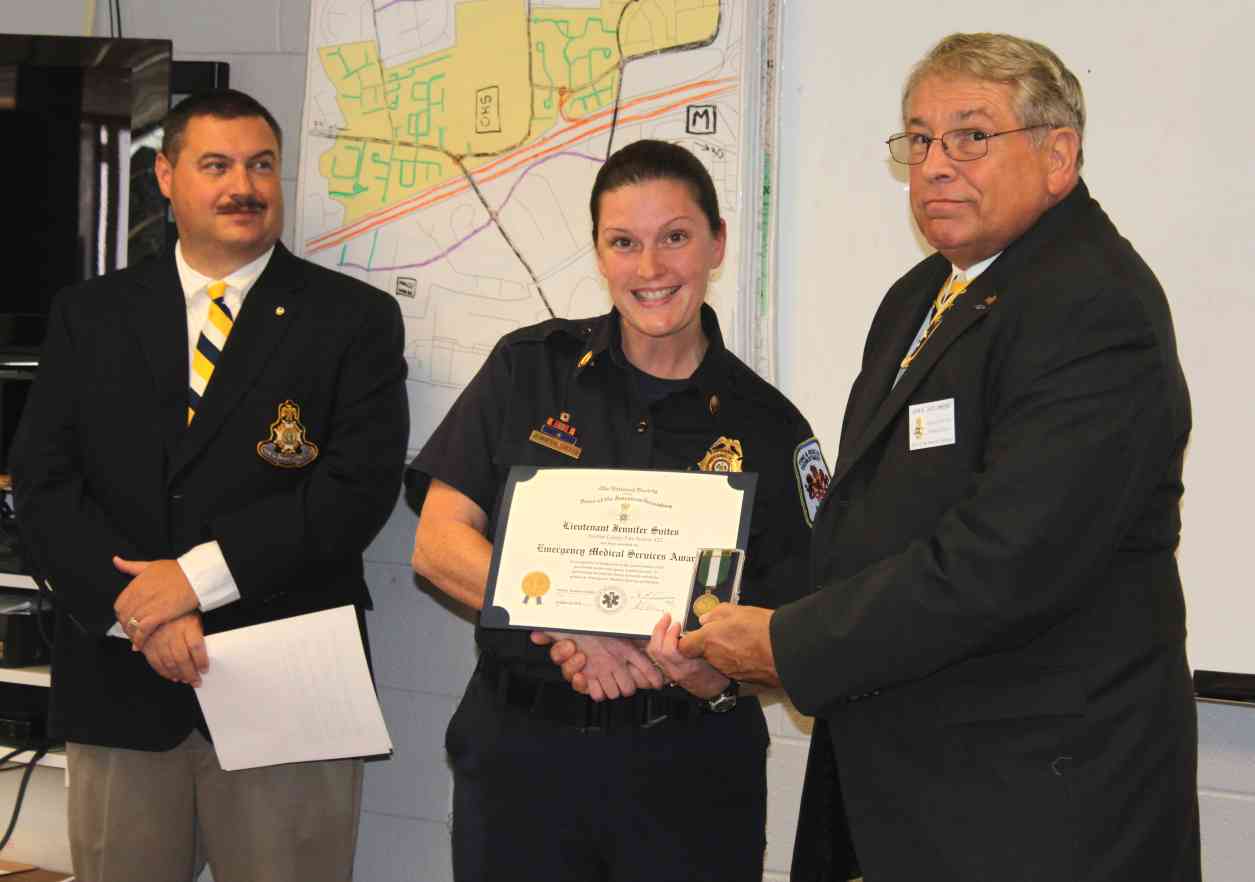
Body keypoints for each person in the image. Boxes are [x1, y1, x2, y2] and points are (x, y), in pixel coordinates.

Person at [679, 32, 1200, 882]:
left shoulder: (1093, 308)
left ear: (1057, 154)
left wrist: (787, 645)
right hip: (916, 790)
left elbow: (1006, 560)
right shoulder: (923, 294)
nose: (933, 165)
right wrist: (732, 644)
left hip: (1034, 809)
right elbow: (867, 525)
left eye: (969, 136)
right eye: (917, 139)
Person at [11, 89, 408, 882]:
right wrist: (141, 611)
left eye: (261, 165)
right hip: (122, 683)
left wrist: (189, 584)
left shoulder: (352, 319)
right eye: (216, 165)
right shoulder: (89, 315)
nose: (245, 187)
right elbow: (44, 481)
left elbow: (353, 493)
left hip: (288, 692)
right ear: (164, 175)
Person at [407, 139, 826, 882]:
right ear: (598, 253)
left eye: (674, 238)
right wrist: (570, 620)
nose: (650, 268)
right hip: (521, 768)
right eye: (623, 243)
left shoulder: (770, 427)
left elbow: (796, 625)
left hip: (688, 776)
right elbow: (439, 546)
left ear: (716, 242)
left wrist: (711, 675)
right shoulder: (526, 369)